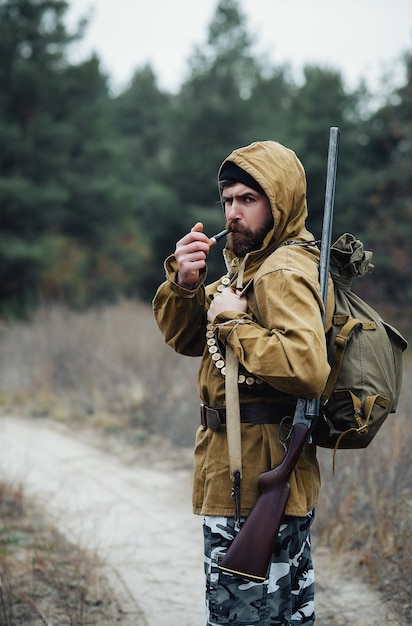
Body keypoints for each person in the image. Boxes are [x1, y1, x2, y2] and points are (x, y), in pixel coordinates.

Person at [152, 140, 332, 626]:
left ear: (280, 202)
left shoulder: (281, 272)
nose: (233, 213)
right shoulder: (249, 268)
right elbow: (187, 337)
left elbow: (307, 366)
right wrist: (187, 284)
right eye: (228, 200)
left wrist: (235, 326)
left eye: (248, 200)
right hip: (248, 473)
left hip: (253, 481)